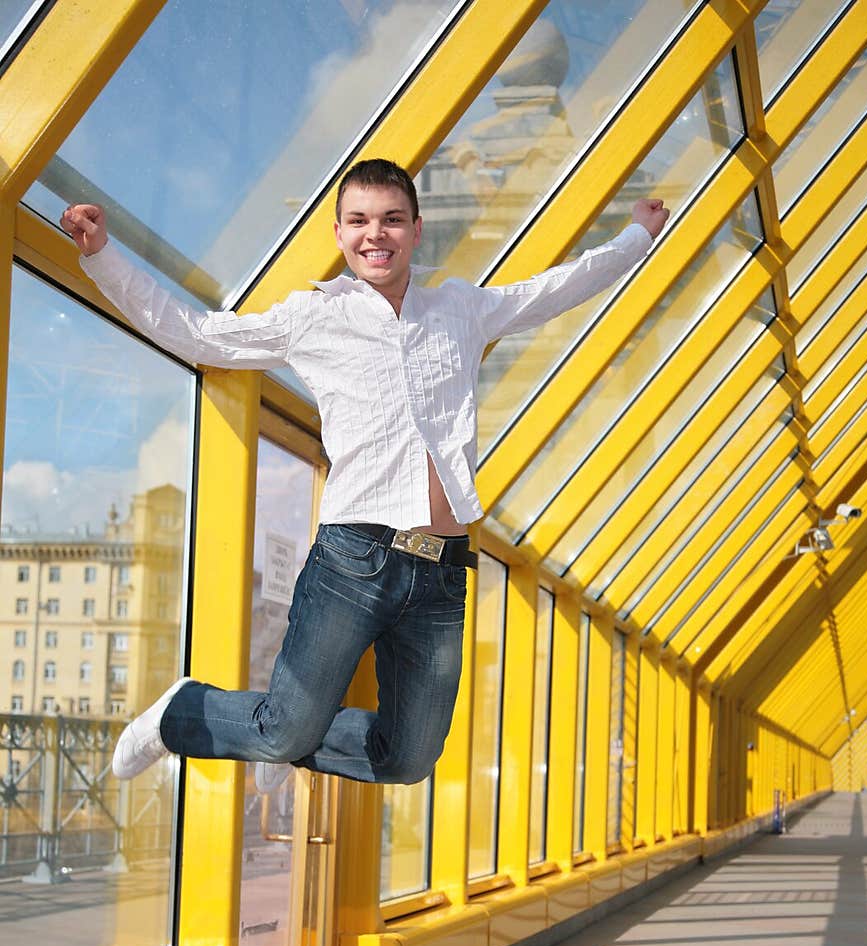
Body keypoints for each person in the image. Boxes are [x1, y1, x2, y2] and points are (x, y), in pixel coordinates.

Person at [61, 159, 668, 791]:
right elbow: (199, 337)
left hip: (441, 570)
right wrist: (103, 256)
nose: (374, 234)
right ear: (339, 233)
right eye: (358, 221)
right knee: (284, 730)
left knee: (407, 760)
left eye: (390, 220)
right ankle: (184, 714)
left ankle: (285, 736)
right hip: (355, 556)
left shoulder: (460, 308)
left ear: (415, 229)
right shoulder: (313, 316)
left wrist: (635, 239)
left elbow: (553, 290)